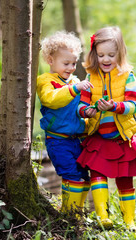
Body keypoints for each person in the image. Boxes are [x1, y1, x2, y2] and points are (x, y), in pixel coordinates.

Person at [77, 26, 136, 230]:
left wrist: (114, 106)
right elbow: (81, 106)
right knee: (97, 174)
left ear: (120, 53)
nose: (105, 59)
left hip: (122, 137)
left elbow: (133, 105)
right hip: (99, 137)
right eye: (101, 55)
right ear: (94, 55)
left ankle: (129, 221)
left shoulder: (128, 76)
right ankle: (103, 216)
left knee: (125, 179)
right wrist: (87, 112)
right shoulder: (90, 78)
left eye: (111, 54)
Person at [36, 31, 93, 214]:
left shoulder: (75, 81)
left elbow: (78, 108)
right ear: (50, 60)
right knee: (71, 174)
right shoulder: (46, 81)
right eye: (66, 63)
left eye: (74, 63)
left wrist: (88, 112)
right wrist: (74, 88)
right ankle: (70, 214)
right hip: (58, 140)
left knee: (84, 176)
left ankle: (77, 210)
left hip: (77, 139)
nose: (71, 67)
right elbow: (51, 100)